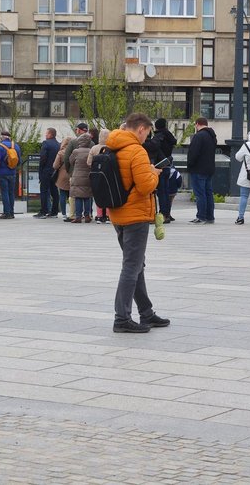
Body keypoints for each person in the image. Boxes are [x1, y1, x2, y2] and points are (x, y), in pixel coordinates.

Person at [107, 113, 168, 334]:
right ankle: (122, 318)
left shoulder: (112, 147)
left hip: (118, 213)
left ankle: (146, 312)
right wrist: (154, 173)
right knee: (132, 267)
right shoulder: (136, 151)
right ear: (141, 129)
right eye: (147, 133)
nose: (147, 137)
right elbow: (145, 187)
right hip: (136, 216)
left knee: (136, 264)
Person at [187, 116, 217, 225]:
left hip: (198, 169)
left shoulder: (199, 136)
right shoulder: (212, 136)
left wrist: (190, 164)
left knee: (200, 194)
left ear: (197, 124)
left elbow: (193, 153)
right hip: (209, 168)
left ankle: (201, 216)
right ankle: (210, 217)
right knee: (208, 193)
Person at [152, 118, 178, 222]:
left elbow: (155, 150)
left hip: (159, 166)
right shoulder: (169, 136)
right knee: (166, 191)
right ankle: (167, 213)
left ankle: (163, 214)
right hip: (168, 165)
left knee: (161, 192)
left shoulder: (157, 138)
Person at [67, 131, 94, 223]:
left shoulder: (76, 151)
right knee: (87, 196)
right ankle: (87, 216)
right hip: (88, 176)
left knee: (78, 196)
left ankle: (78, 216)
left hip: (77, 176)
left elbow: (70, 161)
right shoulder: (91, 151)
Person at [88, 128, 113, 223]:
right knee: (108, 194)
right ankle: (107, 216)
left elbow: (89, 162)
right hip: (108, 175)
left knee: (98, 194)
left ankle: (99, 216)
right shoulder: (111, 148)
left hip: (96, 174)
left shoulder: (94, 148)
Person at [0, 131, 22, 219]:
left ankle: (6, 213)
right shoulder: (16, 146)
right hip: (13, 172)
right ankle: (11, 212)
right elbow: (19, 161)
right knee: (11, 193)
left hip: (2, 173)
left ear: (2, 137)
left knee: (5, 192)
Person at [35, 128, 60, 218]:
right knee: (54, 191)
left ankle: (43, 211)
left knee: (44, 191)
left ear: (50, 134)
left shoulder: (46, 143)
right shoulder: (58, 144)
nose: (45, 135)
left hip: (46, 170)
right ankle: (54, 212)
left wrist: (40, 171)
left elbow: (43, 158)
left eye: (46, 133)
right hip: (55, 171)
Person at [52, 135, 73, 219]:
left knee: (62, 194)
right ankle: (73, 213)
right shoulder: (74, 152)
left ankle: (64, 213)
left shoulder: (60, 153)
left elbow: (55, 165)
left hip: (62, 176)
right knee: (72, 195)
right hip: (72, 174)